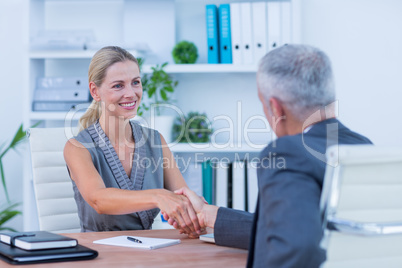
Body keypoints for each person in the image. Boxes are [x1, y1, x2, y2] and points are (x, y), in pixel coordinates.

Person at [165, 44, 372, 267]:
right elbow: (302, 229)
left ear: (275, 108)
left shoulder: (287, 153)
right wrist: (209, 215)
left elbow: (297, 247)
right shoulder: (363, 147)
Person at [64, 46, 201, 234]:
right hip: (99, 254)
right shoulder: (77, 147)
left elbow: (182, 198)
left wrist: (196, 210)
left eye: (135, 82)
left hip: (149, 251)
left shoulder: (155, 140)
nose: (130, 93)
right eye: (118, 85)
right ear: (95, 92)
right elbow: (99, 200)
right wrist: (158, 196)